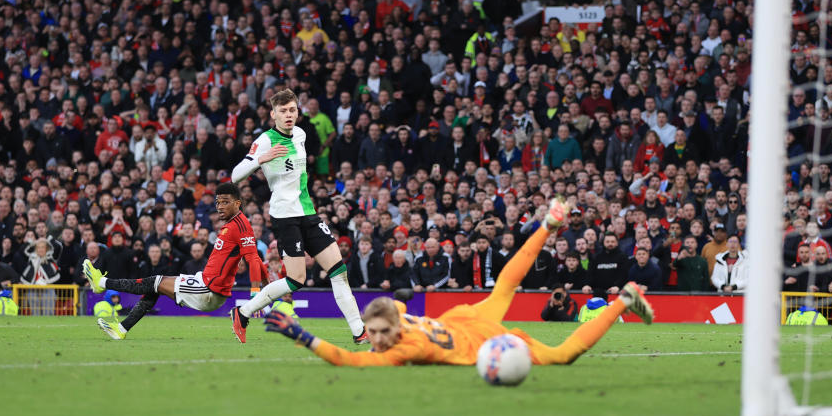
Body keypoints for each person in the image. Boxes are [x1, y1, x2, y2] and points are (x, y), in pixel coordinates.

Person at [262, 198, 653, 366]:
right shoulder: (396, 319)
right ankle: (552, 229)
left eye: (379, 333)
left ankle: (620, 299)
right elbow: (395, 305)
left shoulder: (403, 349)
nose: (376, 340)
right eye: (374, 332)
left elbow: (347, 359)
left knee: (562, 356)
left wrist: (302, 336)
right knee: (504, 288)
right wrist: (395, 304)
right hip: (459, 320)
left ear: (395, 329)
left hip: (481, 341)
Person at [230, 89, 368, 343]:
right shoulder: (266, 141)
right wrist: (261, 159)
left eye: (292, 110)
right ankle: (243, 311)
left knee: (339, 271)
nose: (288, 114)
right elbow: (235, 175)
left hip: (308, 212)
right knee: (296, 280)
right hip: (284, 216)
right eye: (282, 111)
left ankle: (359, 331)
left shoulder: (301, 135)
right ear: (273, 114)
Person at [82, 182, 267, 341]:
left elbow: (253, 258)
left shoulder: (241, 226)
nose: (220, 206)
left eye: (225, 202)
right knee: (155, 288)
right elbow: (257, 260)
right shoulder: (234, 224)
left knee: (154, 282)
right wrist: (267, 286)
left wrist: (256, 294)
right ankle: (121, 329)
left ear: (238, 203)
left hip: (209, 289)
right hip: (205, 282)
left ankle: (102, 283)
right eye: (218, 202)